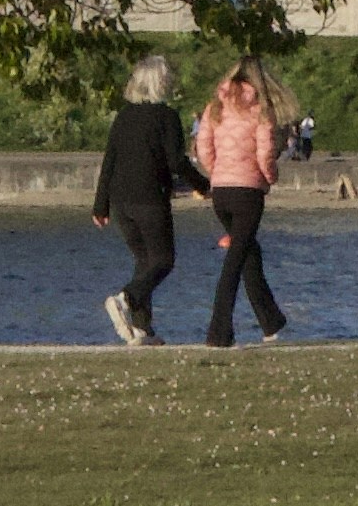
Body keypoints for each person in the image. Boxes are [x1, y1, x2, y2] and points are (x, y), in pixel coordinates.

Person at [90, 55, 195, 345]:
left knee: (144, 261)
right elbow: (176, 161)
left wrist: (100, 205)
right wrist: (202, 184)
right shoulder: (166, 117)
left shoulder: (124, 116)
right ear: (163, 83)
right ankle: (125, 299)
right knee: (163, 260)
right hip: (149, 197)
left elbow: (110, 159)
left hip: (121, 200)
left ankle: (142, 329)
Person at [191, 58, 295, 344]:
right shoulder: (260, 111)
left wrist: (217, 172)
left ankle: (270, 320)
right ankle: (218, 330)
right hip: (248, 192)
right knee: (236, 259)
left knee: (248, 252)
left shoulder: (215, 108)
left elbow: (203, 147)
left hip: (222, 191)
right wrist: (270, 177)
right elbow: (265, 155)